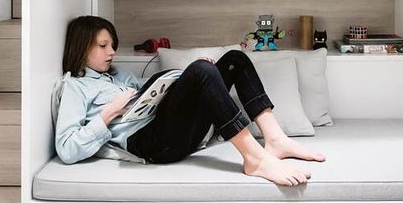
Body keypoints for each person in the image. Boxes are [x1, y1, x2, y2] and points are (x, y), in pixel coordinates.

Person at [55, 15, 326, 186]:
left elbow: (151, 94)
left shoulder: (119, 75)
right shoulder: (75, 87)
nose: (112, 52)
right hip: (151, 145)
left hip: (172, 129)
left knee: (234, 59)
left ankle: (275, 139)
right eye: (103, 46)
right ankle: (254, 159)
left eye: (112, 45)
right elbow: (66, 149)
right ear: (81, 47)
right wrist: (108, 114)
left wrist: (184, 79)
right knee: (201, 71)